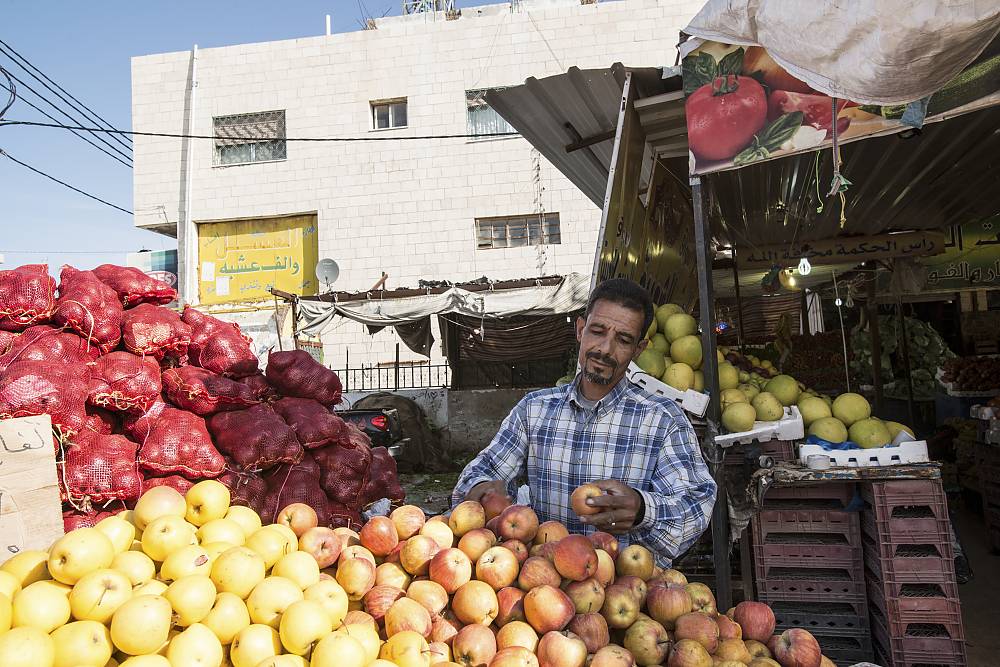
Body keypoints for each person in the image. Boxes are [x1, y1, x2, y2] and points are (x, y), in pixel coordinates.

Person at [451, 278, 716, 565]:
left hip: (629, 590)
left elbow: (697, 505)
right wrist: (481, 489)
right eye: (597, 331)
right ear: (580, 330)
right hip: (546, 592)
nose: (605, 349)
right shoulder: (535, 410)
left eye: (623, 340)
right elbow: (484, 469)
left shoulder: (663, 420)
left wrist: (643, 510)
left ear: (639, 349)